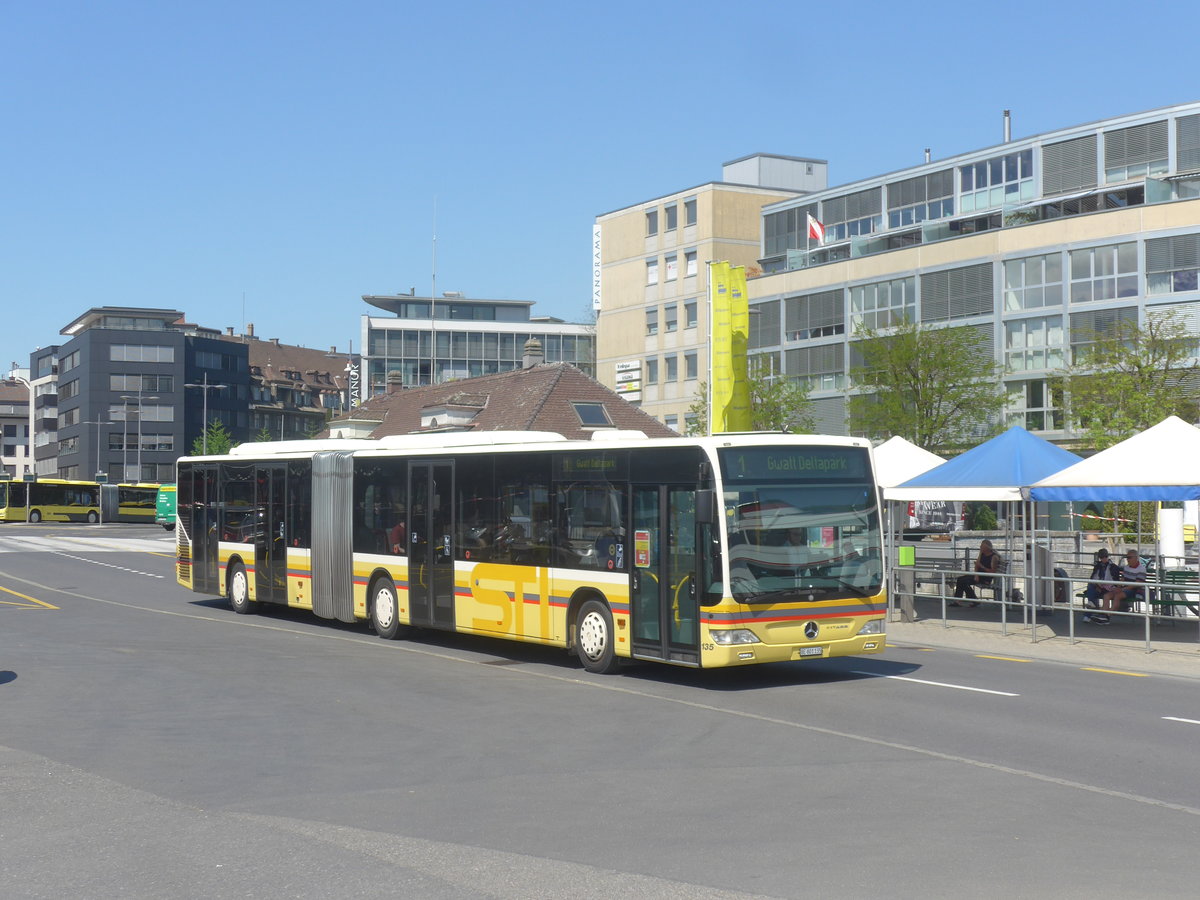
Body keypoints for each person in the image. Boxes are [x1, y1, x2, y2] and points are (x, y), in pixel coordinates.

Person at [1094, 550, 1147, 624]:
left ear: (1136, 558)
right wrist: (1118, 587)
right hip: (1124, 588)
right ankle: (1103, 615)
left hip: (1134, 590)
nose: (1128, 559)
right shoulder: (1126, 567)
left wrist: (1122, 589)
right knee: (1106, 596)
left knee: (1117, 596)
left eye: (1129, 558)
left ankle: (1106, 616)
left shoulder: (1141, 569)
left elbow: (1137, 584)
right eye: (1127, 558)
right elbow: (1122, 579)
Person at [951, 539, 1002, 608]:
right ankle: (957, 600)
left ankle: (974, 600)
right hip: (979, 575)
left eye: (981, 546)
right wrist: (976, 575)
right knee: (960, 579)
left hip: (986, 577)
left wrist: (982, 567)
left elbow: (993, 571)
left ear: (986, 548)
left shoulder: (993, 557)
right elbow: (977, 565)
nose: (980, 547)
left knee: (964, 582)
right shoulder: (982, 554)